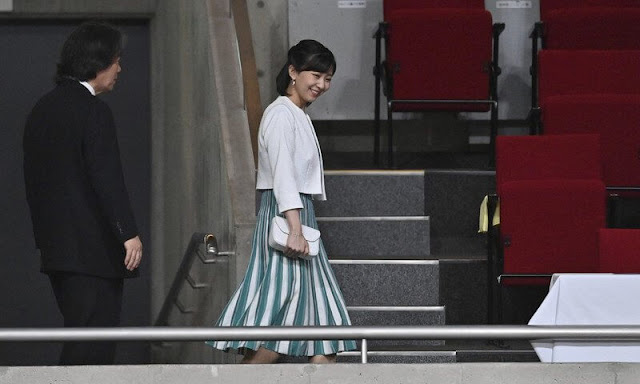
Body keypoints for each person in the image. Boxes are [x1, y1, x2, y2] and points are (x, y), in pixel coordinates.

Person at [208, 39, 356, 363]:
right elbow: (284, 177)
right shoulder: (280, 114)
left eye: (328, 78)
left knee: (322, 333)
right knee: (284, 325)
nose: (322, 84)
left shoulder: (295, 114)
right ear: (293, 71)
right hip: (287, 216)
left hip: (298, 216)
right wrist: (295, 228)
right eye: (315, 74)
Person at [23, 21, 143, 365]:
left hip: (57, 249)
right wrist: (128, 233)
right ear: (97, 61)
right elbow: (106, 178)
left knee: (78, 334)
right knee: (95, 342)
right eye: (116, 60)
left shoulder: (42, 109)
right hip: (93, 252)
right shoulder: (93, 111)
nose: (119, 68)